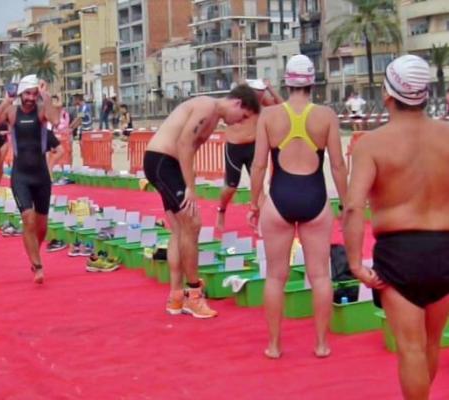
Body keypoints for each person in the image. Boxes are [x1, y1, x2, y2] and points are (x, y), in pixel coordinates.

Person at [343, 55, 449, 400]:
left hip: (400, 252)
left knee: (411, 348)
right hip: (444, 247)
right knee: (430, 344)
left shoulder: (371, 144)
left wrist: (355, 263)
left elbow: (353, 206)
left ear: (387, 94)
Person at [248, 55, 348, 359]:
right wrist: (346, 203)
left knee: (275, 277)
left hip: (280, 198)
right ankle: (321, 344)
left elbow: (258, 165)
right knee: (320, 276)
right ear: (312, 82)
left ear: (286, 82)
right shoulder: (326, 115)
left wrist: (254, 203)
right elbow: (338, 165)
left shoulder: (269, 116)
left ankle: (274, 345)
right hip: (315, 198)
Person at [144, 84, 261, 319]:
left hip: (165, 163)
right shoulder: (208, 107)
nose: (239, 123)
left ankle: (176, 295)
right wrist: (190, 187)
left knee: (180, 230)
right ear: (237, 103)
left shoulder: (213, 115)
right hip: (163, 161)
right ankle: (194, 293)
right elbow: (184, 144)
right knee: (193, 223)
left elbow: (188, 147)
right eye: (242, 117)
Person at [0, 74, 61, 284]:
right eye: (27, 94)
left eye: (34, 94)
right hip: (21, 176)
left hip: (41, 176)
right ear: (20, 93)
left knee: (41, 227)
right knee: (28, 219)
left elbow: (55, 120)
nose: (30, 98)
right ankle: (37, 265)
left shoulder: (41, 110)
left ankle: (33, 250)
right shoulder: (12, 112)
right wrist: (5, 101)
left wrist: (46, 97)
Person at [216, 79, 283, 231]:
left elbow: (283, 108)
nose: (260, 98)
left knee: (258, 189)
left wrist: (271, 88)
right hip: (234, 147)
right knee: (230, 187)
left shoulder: (261, 100)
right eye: (258, 94)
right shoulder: (236, 101)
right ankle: (221, 210)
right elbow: (219, 110)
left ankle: (261, 224)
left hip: (253, 146)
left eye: (261, 94)